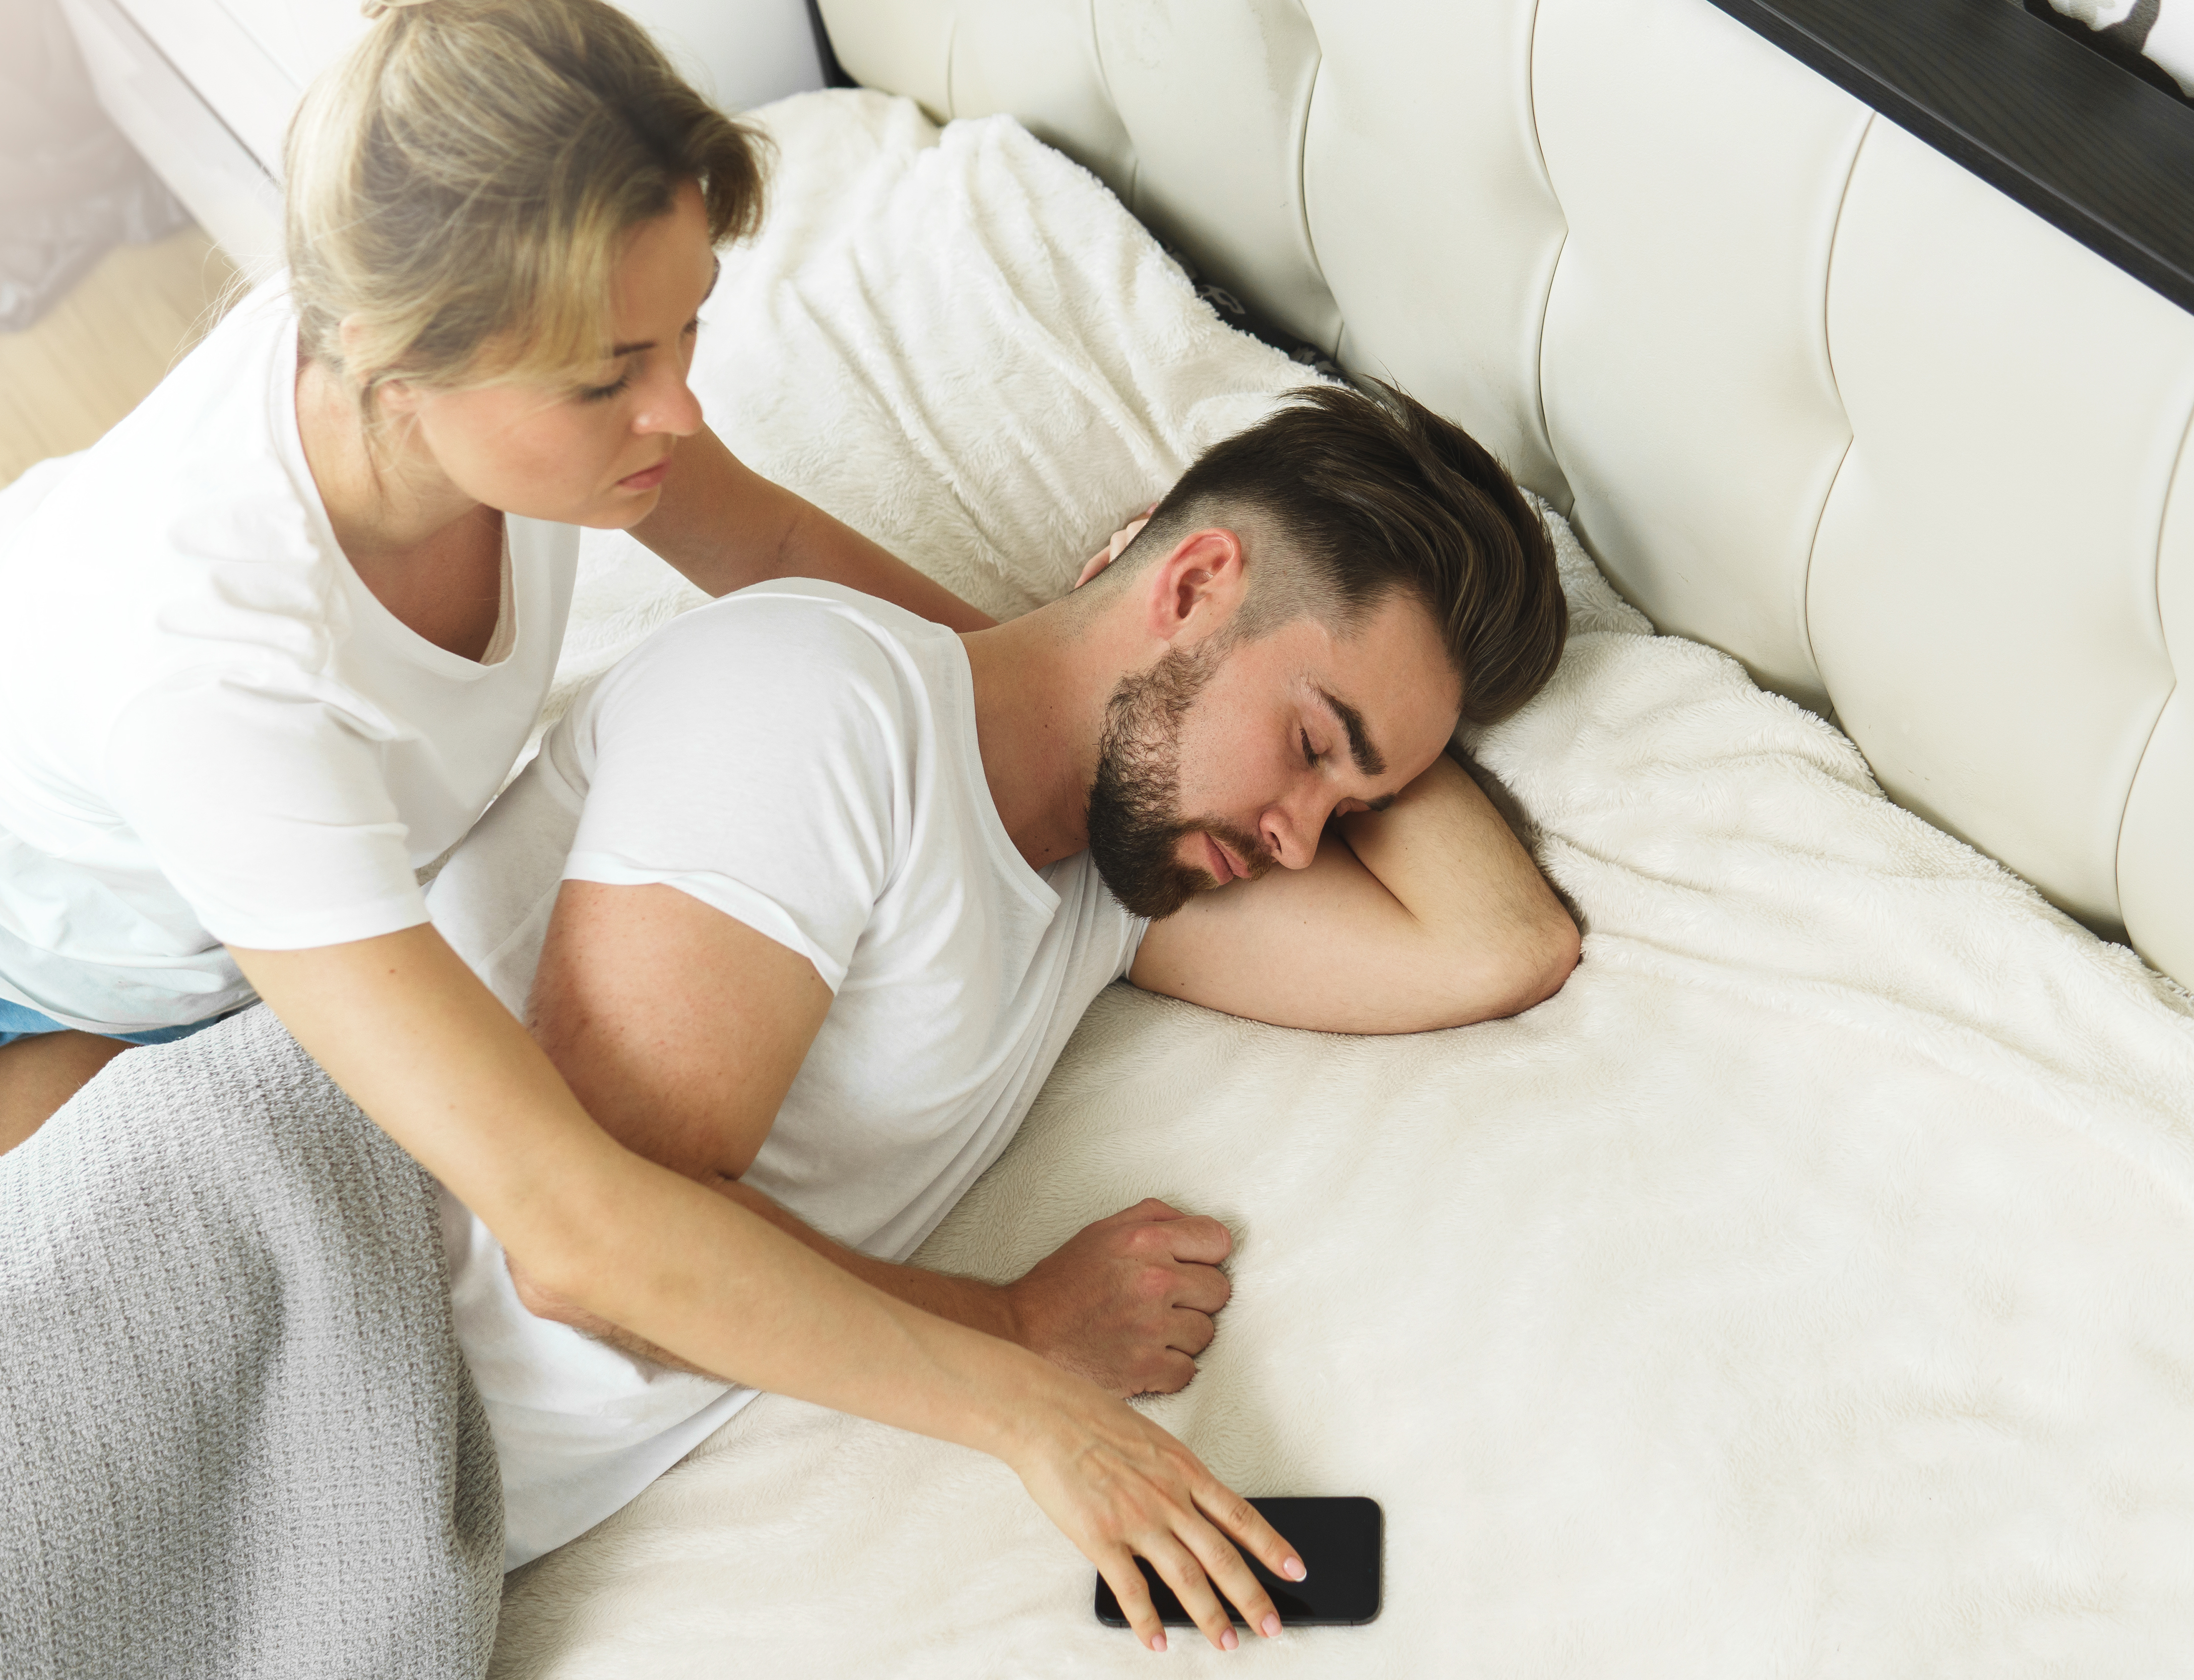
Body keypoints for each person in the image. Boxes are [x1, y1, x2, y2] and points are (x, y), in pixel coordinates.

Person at [0, 0, 1307, 1651]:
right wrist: (1022, 1376)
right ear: (399, 360)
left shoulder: (542, 423)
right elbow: (573, 1226)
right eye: (613, 374)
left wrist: (1100, 710)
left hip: (119, 955)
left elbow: (795, 553)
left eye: (688, 335)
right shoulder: (224, 681)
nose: (679, 410)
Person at [422, 384, 1582, 1590]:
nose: (1300, 841)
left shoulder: (1109, 898)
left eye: (1354, 811)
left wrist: (1385, 731)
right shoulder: (821, 703)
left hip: (412, 1542)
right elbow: (586, 1251)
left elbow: (1498, 945)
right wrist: (1020, 1339)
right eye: (1307, 747)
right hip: (297, 1323)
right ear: (1190, 586)